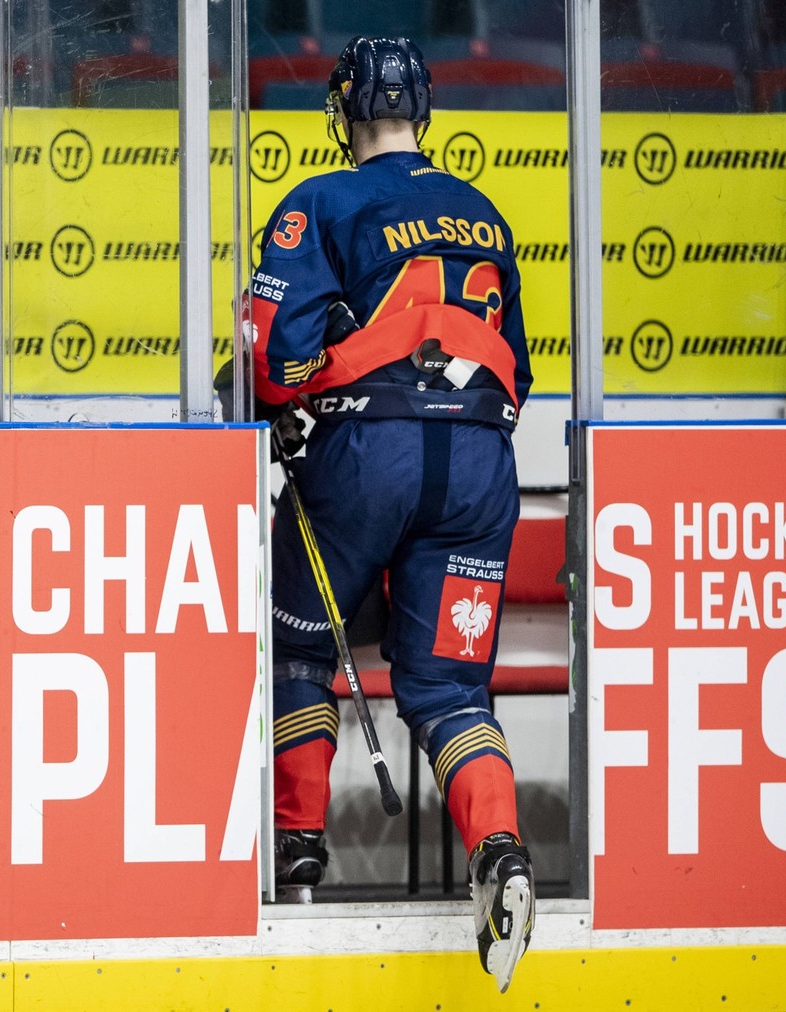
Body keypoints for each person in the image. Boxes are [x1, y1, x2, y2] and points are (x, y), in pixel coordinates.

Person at [248, 36, 535, 992]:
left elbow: (273, 359)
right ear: (428, 113)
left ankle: (297, 846)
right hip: (482, 468)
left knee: (299, 646)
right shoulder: (485, 213)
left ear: (341, 113)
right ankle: (498, 849)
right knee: (452, 687)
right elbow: (517, 370)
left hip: (366, 456)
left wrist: (295, 405)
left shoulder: (319, 202)